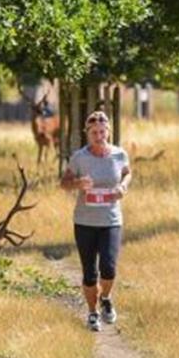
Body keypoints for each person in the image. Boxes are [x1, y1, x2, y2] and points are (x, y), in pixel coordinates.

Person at [60, 111, 132, 332]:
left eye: (102, 132)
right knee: (90, 273)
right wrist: (77, 183)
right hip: (85, 222)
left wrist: (123, 187)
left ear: (108, 132)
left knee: (109, 268)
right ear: (87, 134)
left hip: (111, 220)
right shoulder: (79, 157)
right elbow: (64, 183)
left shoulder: (119, 154)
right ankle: (92, 312)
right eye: (94, 133)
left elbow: (127, 173)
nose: (99, 136)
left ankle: (106, 297)